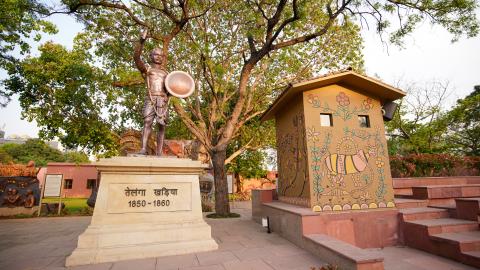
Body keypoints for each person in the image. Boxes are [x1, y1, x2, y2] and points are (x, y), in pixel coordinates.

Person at [133, 30, 169, 155]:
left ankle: (159, 152)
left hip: (163, 101)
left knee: (162, 126)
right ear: (151, 56)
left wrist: (167, 95)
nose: (159, 57)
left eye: (161, 55)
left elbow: (171, 89)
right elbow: (136, 58)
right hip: (151, 98)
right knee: (147, 122)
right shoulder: (147, 70)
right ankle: (143, 148)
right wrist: (141, 42)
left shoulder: (166, 73)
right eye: (156, 54)